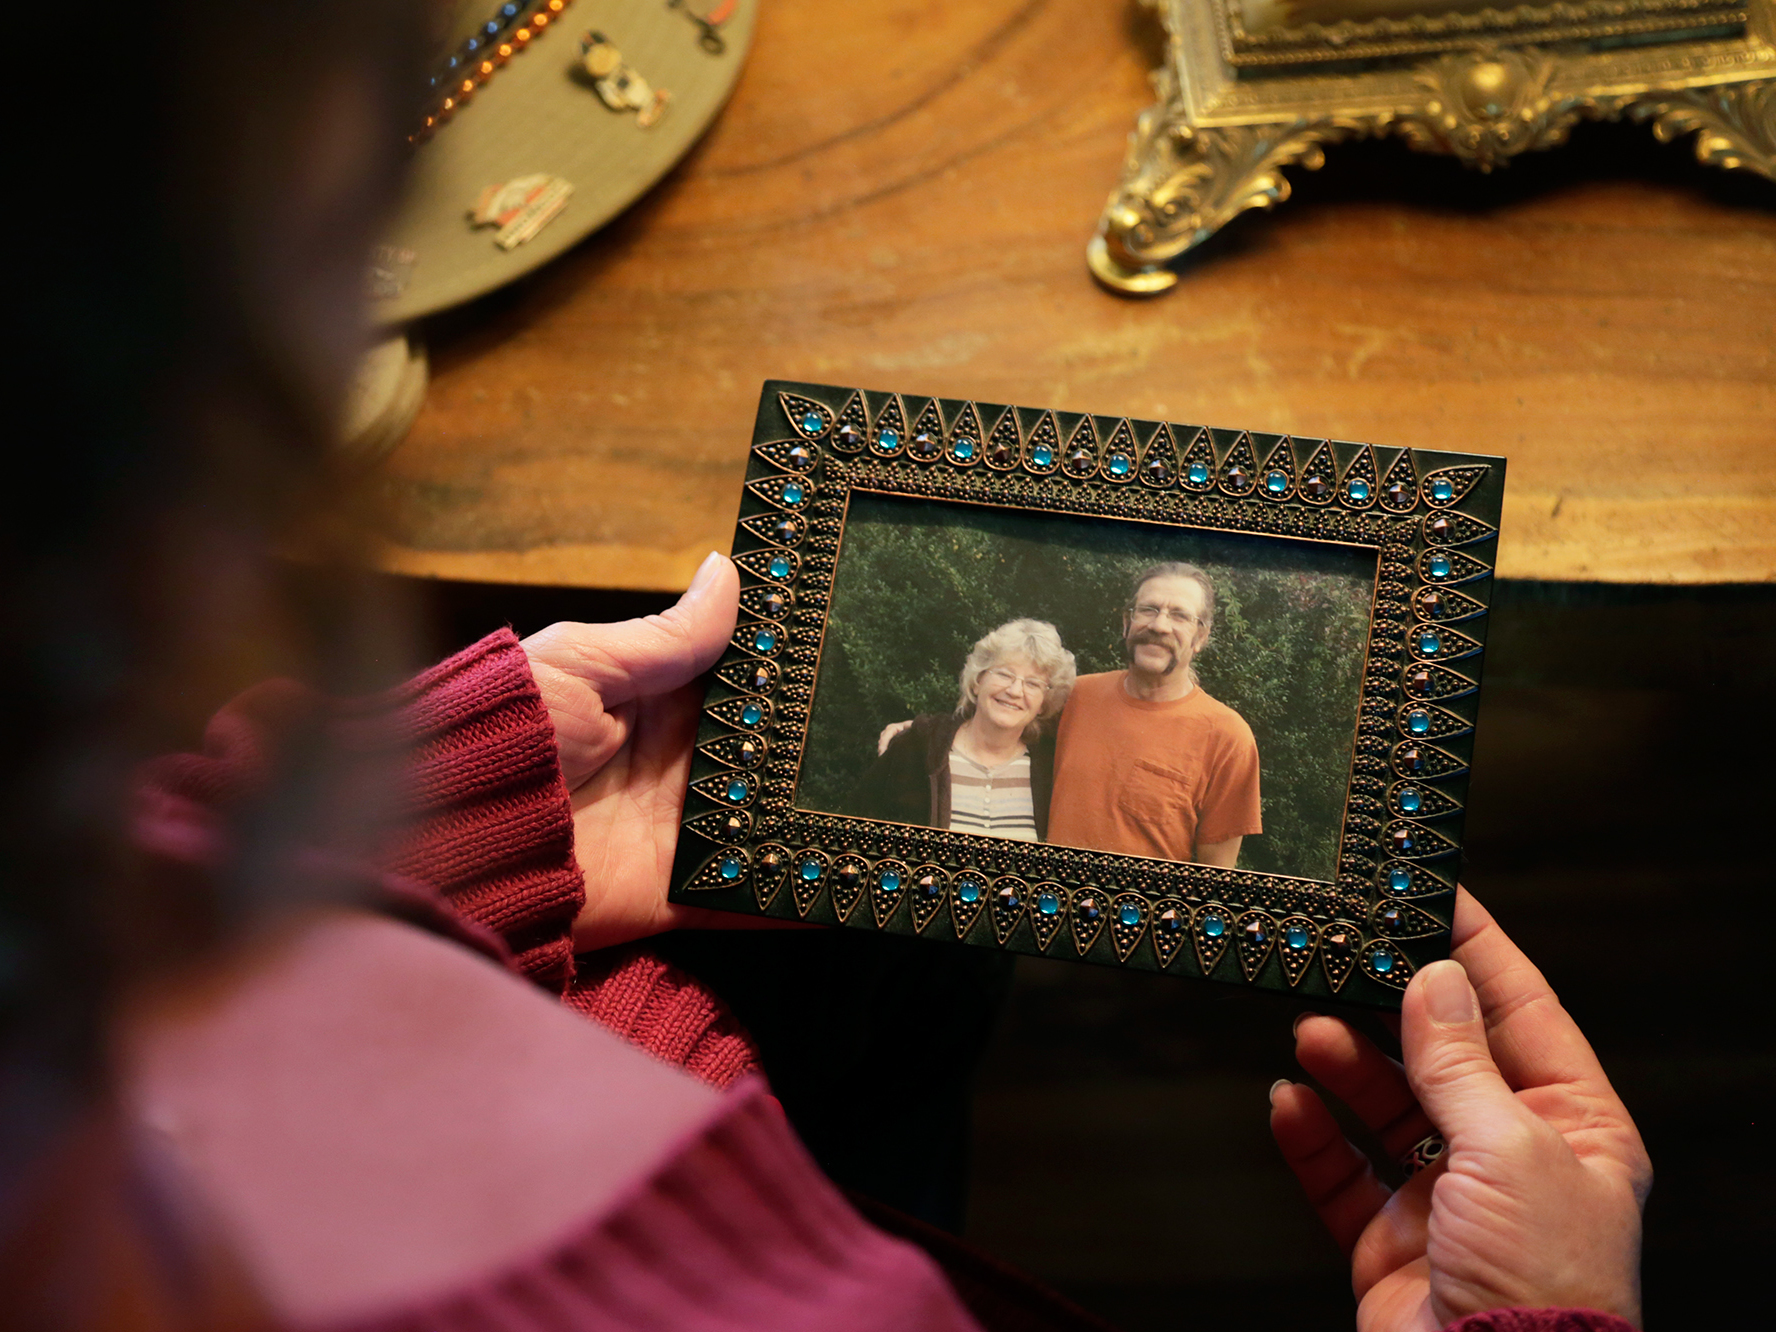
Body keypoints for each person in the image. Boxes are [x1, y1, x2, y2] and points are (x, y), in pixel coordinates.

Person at [3, 0, 1654, 1327]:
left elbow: (1208, 859)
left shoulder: (86, 914)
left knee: (899, 970)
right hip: (678, 1089)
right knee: (897, 976)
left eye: (1168, 620)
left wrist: (445, 809)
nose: (1134, 638)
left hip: (558, 977)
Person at [1044, 561, 1261, 867]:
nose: (1159, 625)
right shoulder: (1075, 696)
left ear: (1200, 637)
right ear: (1126, 622)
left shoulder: (1228, 738)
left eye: (1180, 616)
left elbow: (1215, 875)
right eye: (1148, 609)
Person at [853, 619, 1075, 839]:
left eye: (1033, 683)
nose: (1015, 691)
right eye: (1004, 674)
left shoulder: (1053, 768)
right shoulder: (914, 749)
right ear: (978, 681)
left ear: (1044, 703)